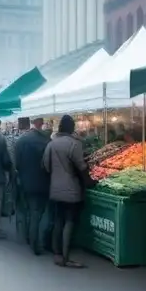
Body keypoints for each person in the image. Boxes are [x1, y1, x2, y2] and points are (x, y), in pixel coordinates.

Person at [42, 115, 88, 268]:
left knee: (58, 220)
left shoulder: (51, 144)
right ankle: (66, 257)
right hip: (71, 190)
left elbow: (46, 167)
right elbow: (82, 167)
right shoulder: (74, 144)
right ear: (72, 127)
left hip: (55, 189)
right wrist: (89, 182)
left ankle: (57, 254)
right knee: (69, 221)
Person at [15, 117, 51, 255]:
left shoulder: (21, 141)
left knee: (30, 211)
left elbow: (17, 163)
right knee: (40, 212)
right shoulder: (46, 141)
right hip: (43, 182)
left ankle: (30, 238)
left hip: (25, 182)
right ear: (41, 124)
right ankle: (37, 242)